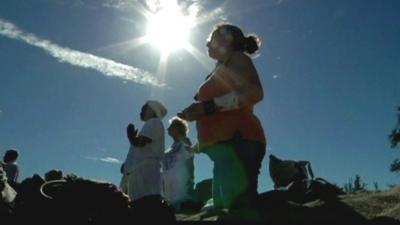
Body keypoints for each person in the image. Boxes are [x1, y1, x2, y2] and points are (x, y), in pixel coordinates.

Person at [178, 23, 266, 216]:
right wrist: (196, 112)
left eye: (212, 39)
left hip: (239, 142)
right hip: (225, 150)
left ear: (228, 40)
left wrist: (206, 107)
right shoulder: (220, 68)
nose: (207, 44)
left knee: (237, 212)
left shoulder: (238, 58)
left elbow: (255, 92)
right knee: (222, 209)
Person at [122, 100, 167, 202]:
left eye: (144, 109)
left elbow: (141, 142)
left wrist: (131, 137)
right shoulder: (151, 124)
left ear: (152, 111)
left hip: (145, 171)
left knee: (146, 204)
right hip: (141, 170)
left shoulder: (154, 122)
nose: (140, 112)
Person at [161, 117, 195, 210]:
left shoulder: (185, 141)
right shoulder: (170, 148)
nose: (168, 129)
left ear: (178, 128)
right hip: (169, 189)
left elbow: (190, 160)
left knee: (182, 207)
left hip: (181, 184)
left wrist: (191, 179)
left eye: (171, 126)